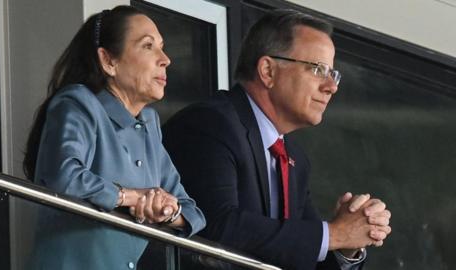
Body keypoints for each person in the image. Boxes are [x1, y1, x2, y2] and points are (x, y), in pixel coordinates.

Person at [162, 10, 391, 270]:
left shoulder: (294, 158)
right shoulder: (210, 124)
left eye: (333, 74)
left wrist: (347, 246)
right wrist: (335, 234)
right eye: (318, 69)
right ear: (268, 71)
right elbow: (215, 223)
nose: (331, 86)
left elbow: (298, 254)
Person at [23, 6, 205, 269]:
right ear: (108, 61)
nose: (165, 59)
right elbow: (63, 175)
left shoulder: (149, 123)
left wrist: (166, 211)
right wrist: (131, 197)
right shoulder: (78, 102)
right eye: (148, 46)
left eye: (162, 47)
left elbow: (192, 212)